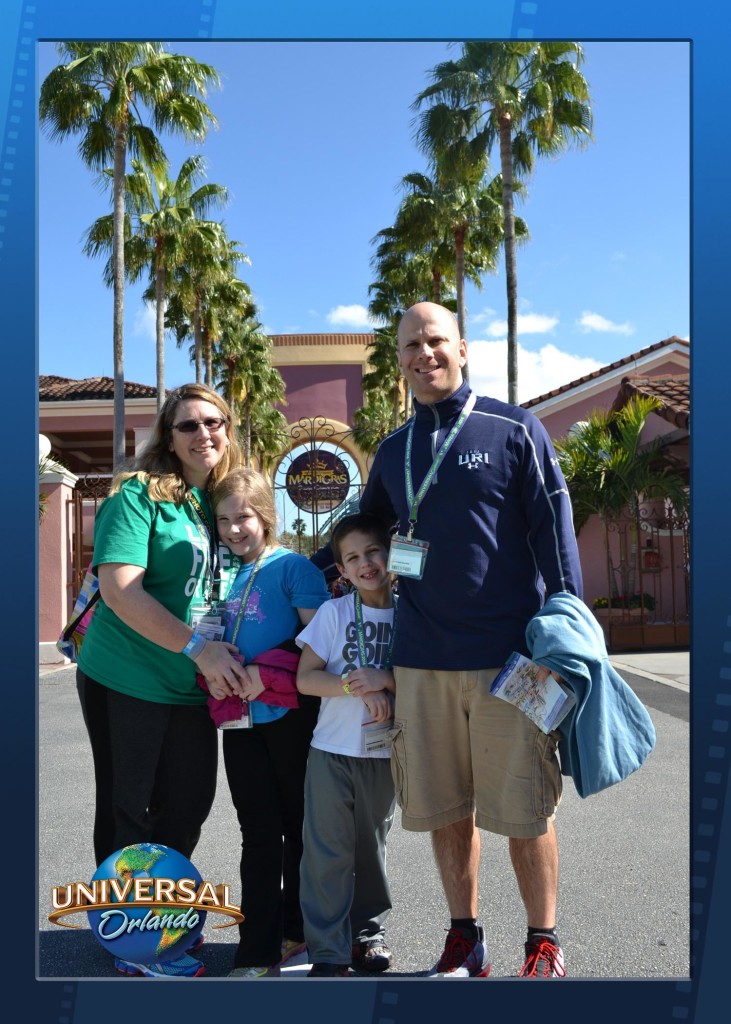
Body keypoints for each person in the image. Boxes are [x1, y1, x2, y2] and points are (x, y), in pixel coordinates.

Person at [353, 301, 583, 979]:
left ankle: (542, 941)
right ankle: (463, 938)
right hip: (421, 663)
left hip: (511, 661)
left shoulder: (514, 428)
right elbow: (362, 533)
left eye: (433, 341)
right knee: (448, 813)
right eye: (408, 346)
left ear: (461, 348)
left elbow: (552, 533)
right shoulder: (394, 450)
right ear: (397, 360)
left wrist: (568, 635)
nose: (422, 354)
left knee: (525, 812)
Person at [76, 382, 249, 979]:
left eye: (214, 422)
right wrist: (200, 648)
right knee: (131, 810)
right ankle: (134, 942)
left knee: (189, 805)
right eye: (189, 425)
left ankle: (158, 915)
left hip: (191, 685)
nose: (204, 434)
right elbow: (122, 589)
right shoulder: (138, 496)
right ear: (168, 437)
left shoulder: (219, 501)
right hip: (127, 674)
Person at [205, 467, 330, 979]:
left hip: (290, 718)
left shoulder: (295, 568)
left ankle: (299, 934)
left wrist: (266, 667)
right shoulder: (218, 573)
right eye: (224, 520)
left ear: (266, 517)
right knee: (256, 832)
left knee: (299, 827)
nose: (234, 529)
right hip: (238, 720)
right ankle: (255, 949)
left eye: (244, 518)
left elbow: (320, 637)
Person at [296, 512, 397, 978]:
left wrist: (387, 680)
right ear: (342, 570)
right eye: (353, 558)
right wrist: (357, 687)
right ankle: (328, 952)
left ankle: (366, 932)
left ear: (390, 553)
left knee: (370, 849)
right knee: (327, 851)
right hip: (332, 752)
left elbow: (428, 679)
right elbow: (306, 678)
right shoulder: (335, 614)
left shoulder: (412, 615)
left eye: (373, 551)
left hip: (385, 753)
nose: (366, 563)